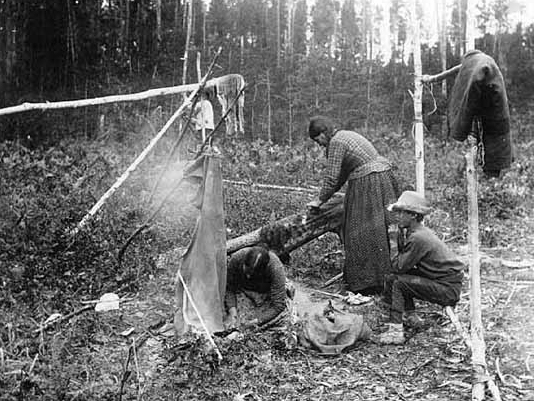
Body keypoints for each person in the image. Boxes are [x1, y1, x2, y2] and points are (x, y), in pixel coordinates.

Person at [307, 116, 399, 295]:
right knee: (378, 229)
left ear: (324, 133)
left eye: (319, 140)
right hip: (382, 177)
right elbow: (341, 176)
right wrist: (324, 198)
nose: (320, 145)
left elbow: (332, 177)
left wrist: (319, 201)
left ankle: (368, 283)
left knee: (359, 231)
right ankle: (383, 278)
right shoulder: (344, 136)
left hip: (370, 180)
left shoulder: (336, 142)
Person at [378, 191, 465, 345]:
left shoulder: (418, 237)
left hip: (447, 289)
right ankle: (411, 317)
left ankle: (395, 331)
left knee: (398, 281)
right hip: (443, 283)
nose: (397, 216)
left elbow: (397, 267)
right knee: (395, 278)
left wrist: (392, 241)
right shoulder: (416, 232)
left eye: (401, 212)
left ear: (413, 215)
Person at [225, 246, 289, 328]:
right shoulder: (237, 258)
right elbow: (229, 288)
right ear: (244, 262)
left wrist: (256, 321)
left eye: (253, 274)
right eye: (247, 271)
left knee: (280, 322)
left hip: (266, 293)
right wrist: (232, 313)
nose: (248, 276)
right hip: (243, 290)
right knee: (232, 322)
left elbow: (278, 305)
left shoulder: (275, 268)